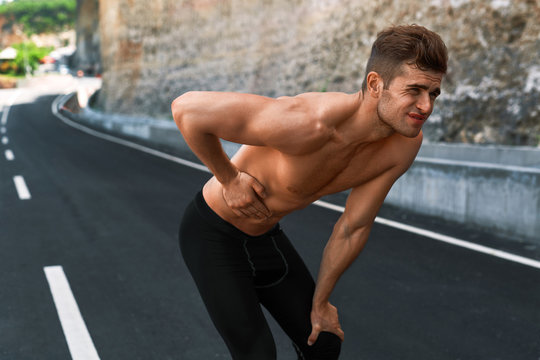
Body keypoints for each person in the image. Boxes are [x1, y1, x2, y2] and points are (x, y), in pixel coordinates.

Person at [172, 24, 448, 360]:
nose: (426, 106)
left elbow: (352, 227)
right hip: (211, 235)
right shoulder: (308, 123)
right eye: (415, 90)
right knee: (257, 354)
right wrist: (229, 179)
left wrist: (321, 303)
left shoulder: (402, 146)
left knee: (323, 342)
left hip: (265, 238)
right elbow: (186, 109)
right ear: (376, 84)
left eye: (433, 93)